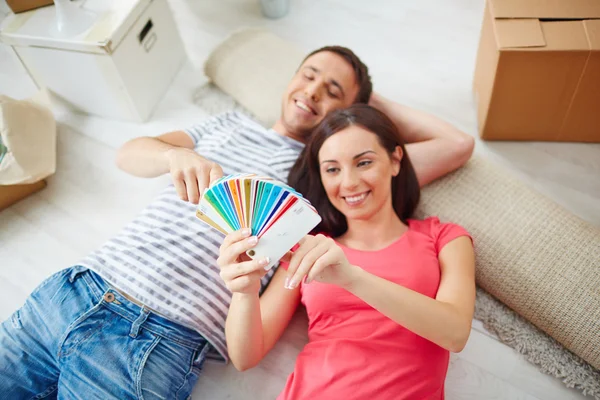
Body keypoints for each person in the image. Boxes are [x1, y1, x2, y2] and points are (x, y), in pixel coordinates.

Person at [0, 45, 474, 398]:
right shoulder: (225, 125)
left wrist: (361, 111)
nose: (311, 92)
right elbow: (128, 153)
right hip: (75, 288)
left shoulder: (326, 177)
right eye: (307, 76)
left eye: (333, 91)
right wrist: (174, 157)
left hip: (158, 335)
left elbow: (453, 146)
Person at [218, 104, 476, 400]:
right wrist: (245, 292)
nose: (349, 182)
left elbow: (455, 333)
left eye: (364, 163)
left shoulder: (444, 237)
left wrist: (351, 278)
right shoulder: (310, 248)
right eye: (332, 169)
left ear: (395, 160)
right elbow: (245, 356)